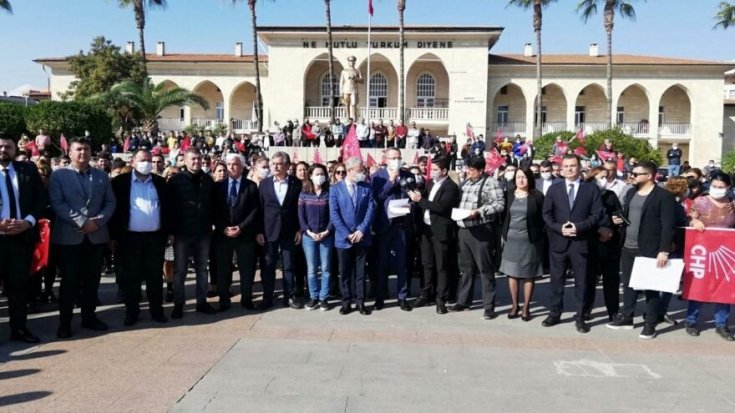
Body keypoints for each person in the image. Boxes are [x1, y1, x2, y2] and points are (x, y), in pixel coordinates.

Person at [49, 137, 116, 339]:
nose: (83, 153)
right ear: (70, 153)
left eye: (86, 149)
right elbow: (57, 203)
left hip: (95, 237)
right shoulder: (59, 176)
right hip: (70, 237)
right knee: (69, 282)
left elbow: (110, 202)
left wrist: (97, 221)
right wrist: (81, 221)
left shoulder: (101, 176)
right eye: (78, 149)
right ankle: (65, 322)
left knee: (91, 281)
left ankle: (89, 317)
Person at [607, 161, 676, 340]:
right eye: (632, 173)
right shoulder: (631, 192)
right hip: (628, 246)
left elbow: (668, 226)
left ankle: (650, 323)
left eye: (636, 174)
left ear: (649, 175)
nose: (632, 176)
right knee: (628, 284)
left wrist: (664, 250)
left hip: (650, 249)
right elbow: (629, 217)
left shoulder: (663, 196)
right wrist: (619, 220)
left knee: (650, 287)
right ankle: (627, 317)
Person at [541, 154, 603, 334]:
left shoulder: (591, 189)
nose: (569, 169)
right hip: (559, 242)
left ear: (579, 168)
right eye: (566, 166)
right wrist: (560, 228)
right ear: (561, 169)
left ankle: (581, 317)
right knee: (556, 280)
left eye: (573, 165)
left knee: (582, 282)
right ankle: (555, 312)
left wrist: (579, 227)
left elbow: (597, 214)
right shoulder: (554, 189)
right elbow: (546, 214)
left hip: (581, 242)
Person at [109, 149, 171, 326]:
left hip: (155, 238)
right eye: (143, 160)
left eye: (150, 160)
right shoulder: (120, 182)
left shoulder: (159, 182)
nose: (147, 163)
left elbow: (167, 209)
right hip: (129, 238)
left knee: (155, 277)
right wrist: (113, 236)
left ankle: (157, 311)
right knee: (131, 277)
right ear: (133, 161)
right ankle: (132, 312)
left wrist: (169, 232)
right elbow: (114, 211)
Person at [0, 132, 47, 343]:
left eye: (7, 147)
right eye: (0, 146)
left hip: (21, 238)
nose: (3, 150)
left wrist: (27, 221)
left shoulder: (27, 170)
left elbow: (40, 200)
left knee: (19, 287)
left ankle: (19, 329)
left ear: (14, 149)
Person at [452, 156, 506, 319]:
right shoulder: (466, 183)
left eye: (472, 170)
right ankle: (464, 301)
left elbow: (499, 204)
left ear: (481, 170)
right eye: (468, 169)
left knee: (485, 269)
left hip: (481, 230)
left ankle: (489, 306)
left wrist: (480, 211)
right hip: (464, 230)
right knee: (466, 268)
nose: (469, 172)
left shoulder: (491, 183)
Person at [685, 172, 735, 341]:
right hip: (702, 251)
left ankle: (722, 324)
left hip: (726, 253)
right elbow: (691, 220)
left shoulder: (732, 204)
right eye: (714, 186)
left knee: (724, 287)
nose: (717, 190)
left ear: (728, 188)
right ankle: (691, 320)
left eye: (721, 187)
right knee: (699, 286)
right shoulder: (700, 202)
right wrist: (695, 222)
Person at [168, 148, 216, 319]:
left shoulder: (208, 180)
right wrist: (171, 232)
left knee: (202, 269)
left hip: (203, 233)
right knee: (180, 270)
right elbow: (170, 209)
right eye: (193, 159)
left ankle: (201, 302)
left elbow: (213, 205)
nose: (196, 162)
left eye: (199, 159)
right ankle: (178, 304)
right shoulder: (176, 180)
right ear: (185, 161)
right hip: (182, 233)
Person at [213, 153, 260, 311]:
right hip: (223, 235)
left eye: (235, 164)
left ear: (242, 166)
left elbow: (254, 211)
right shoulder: (218, 186)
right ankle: (224, 300)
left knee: (246, 269)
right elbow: (214, 211)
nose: (232, 167)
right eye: (229, 164)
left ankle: (246, 299)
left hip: (244, 235)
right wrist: (223, 228)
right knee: (223, 269)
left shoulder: (251, 186)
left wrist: (241, 227)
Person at [257, 152, 304, 310]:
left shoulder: (296, 183)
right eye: (273, 163)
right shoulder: (264, 184)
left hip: (289, 231)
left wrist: (299, 229)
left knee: (289, 266)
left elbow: (299, 208)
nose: (275, 166)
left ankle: (289, 297)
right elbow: (260, 209)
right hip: (269, 231)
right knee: (268, 266)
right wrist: (259, 231)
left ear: (287, 166)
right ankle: (267, 298)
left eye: (278, 164)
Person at [329, 157, 375, 315]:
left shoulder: (366, 187)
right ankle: (346, 302)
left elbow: (370, 210)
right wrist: (347, 234)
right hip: (344, 239)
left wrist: (361, 230)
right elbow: (334, 215)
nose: (363, 173)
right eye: (360, 170)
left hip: (362, 236)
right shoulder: (335, 189)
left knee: (361, 273)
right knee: (345, 273)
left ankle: (360, 302)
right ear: (350, 171)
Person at [371, 148, 414, 312]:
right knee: (382, 263)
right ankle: (380, 296)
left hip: (402, 224)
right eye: (393, 158)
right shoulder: (377, 176)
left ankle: (402, 297)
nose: (396, 160)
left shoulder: (408, 175)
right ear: (386, 159)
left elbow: (413, 195)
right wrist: (391, 180)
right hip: (384, 225)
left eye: (398, 157)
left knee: (402, 263)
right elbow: (377, 197)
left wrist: (411, 203)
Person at [500, 168, 545, 322]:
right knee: (512, 273)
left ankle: (526, 307)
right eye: (518, 177)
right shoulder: (509, 195)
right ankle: (514, 305)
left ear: (530, 179)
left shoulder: (537, 196)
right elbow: (504, 215)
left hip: (529, 240)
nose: (521, 180)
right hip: (511, 239)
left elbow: (543, 218)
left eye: (524, 177)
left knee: (528, 274)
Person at [581, 166, 623, 322]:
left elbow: (620, 217)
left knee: (611, 280)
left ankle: (613, 311)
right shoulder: (584, 195)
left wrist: (611, 228)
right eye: (601, 177)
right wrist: (599, 230)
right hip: (591, 242)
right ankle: (585, 309)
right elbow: (582, 218)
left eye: (607, 176)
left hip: (610, 243)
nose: (605, 179)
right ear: (592, 178)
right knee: (589, 279)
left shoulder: (611, 195)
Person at [298, 163, 334, 311]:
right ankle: (313, 296)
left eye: (322, 174)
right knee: (312, 268)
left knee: (326, 268)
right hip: (309, 236)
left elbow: (334, 214)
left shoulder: (330, 192)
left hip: (326, 235)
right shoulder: (304, 193)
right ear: (311, 176)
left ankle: (323, 297)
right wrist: (308, 231)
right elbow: (301, 215)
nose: (319, 177)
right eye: (316, 174)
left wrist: (327, 231)